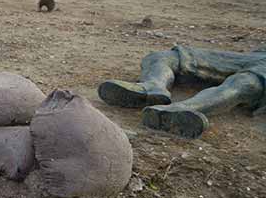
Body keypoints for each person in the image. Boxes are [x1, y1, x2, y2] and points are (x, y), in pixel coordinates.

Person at [99, 46, 266, 139]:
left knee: (246, 83)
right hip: (257, 54)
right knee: (163, 56)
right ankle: (152, 87)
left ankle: (182, 110)